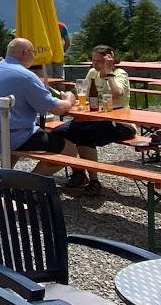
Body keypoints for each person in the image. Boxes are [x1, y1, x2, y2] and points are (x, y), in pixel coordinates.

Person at [0, 37, 76, 173]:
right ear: (25, 53)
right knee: (69, 149)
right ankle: (30, 182)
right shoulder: (26, 76)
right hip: (8, 136)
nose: (34, 56)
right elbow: (56, 109)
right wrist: (69, 100)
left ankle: (7, 177)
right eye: (33, 52)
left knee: (27, 133)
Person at [57, 44, 136, 193]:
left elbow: (117, 93)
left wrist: (108, 72)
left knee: (84, 135)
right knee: (59, 132)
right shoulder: (93, 72)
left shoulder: (119, 73)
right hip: (94, 118)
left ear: (110, 59)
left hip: (120, 123)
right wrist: (70, 97)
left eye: (99, 61)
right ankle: (78, 172)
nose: (95, 64)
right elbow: (85, 94)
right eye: (93, 60)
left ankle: (94, 181)